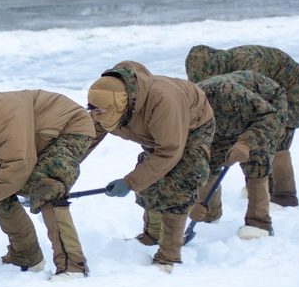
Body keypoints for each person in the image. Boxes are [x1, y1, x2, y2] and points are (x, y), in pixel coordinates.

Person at [0, 89, 96, 280]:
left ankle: (73, 266)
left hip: (67, 128)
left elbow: (19, 165)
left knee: (46, 184)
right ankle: (26, 257)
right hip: (27, 145)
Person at [86, 61, 214, 273]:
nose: (96, 116)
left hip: (193, 125)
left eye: (100, 111)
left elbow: (169, 151)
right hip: (155, 132)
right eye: (93, 110)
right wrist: (64, 170)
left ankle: (169, 255)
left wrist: (129, 182)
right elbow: (87, 139)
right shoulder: (105, 107)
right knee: (149, 177)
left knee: (179, 182)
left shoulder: (162, 101)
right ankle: (152, 234)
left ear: (121, 104)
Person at [185, 44, 299, 207]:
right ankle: (264, 185)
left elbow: (262, 111)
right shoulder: (217, 69)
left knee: (277, 135)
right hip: (268, 90)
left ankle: (285, 195)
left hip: (293, 87)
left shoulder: (248, 64)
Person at [191, 70, 287, 239]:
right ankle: (210, 213)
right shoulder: (181, 117)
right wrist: (195, 203)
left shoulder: (223, 94)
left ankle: (259, 223)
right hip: (221, 120)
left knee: (256, 158)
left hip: (264, 108)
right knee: (206, 157)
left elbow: (271, 117)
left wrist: (245, 143)